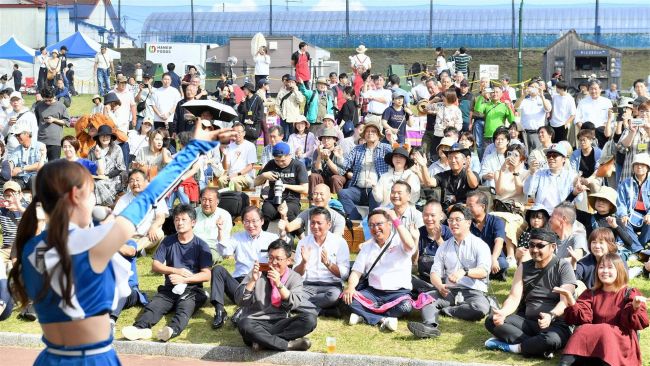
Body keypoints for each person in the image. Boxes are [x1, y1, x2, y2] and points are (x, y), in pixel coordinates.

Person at [9, 124, 232, 364]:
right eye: (92, 192)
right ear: (75, 196)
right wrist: (194, 149)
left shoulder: (30, 246)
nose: (96, 199)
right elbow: (149, 195)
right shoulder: (95, 242)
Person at [121, 204, 212, 342]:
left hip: (192, 290)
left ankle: (171, 330)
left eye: (183, 219)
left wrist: (185, 279)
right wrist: (175, 270)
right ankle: (139, 329)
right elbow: (155, 265)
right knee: (154, 307)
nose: (179, 223)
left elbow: (207, 274)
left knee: (184, 309)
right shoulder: (168, 241)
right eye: (176, 219)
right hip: (169, 289)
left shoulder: (201, 245)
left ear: (193, 222)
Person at [484, 228, 576, 358]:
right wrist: (503, 312)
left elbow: (564, 302)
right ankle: (536, 347)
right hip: (527, 321)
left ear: (553, 247)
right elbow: (514, 297)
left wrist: (550, 315)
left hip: (555, 323)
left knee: (550, 340)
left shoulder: (563, 266)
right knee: (491, 321)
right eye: (531, 245)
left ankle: (515, 347)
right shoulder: (524, 267)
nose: (535, 249)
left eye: (540, 246)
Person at [407, 204, 491, 338]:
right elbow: (435, 273)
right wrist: (439, 286)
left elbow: (484, 271)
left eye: (458, 220)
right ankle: (430, 326)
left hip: (473, 292)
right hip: (449, 291)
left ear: (468, 222)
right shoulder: (444, 246)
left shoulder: (480, 245)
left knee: (480, 309)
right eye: (451, 220)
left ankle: (446, 311)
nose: (453, 223)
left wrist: (465, 271)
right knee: (427, 299)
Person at [557, 253, 648, 366]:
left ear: (619, 270)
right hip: (593, 341)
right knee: (581, 330)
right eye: (601, 267)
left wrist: (635, 307)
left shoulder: (629, 293)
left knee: (605, 330)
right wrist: (570, 299)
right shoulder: (591, 293)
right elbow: (582, 318)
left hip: (620, 343)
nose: (604, 271)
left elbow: (638, 322)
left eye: (610, 267)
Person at [341, 209, 419, 332]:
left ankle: (363, 315)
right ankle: (383, 319)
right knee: (347, 299)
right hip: (373, 292)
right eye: (371, 225)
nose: (375, 228)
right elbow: (356, 272)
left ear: (389, 224)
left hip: (397, 293)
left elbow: (410, 245)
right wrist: (350, 287)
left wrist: (396, 220)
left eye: (379, 224)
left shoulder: (400, 241)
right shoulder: (367, 246)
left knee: (405, 307)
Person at [236, 239, 317, 351]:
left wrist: (279, 284)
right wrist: (253, 281)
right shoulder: (258, 272)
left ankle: (263, 342)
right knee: (244, 324)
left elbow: (293, 304)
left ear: (288, 261)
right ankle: (288, 345)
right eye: (270, 257)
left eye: (278, 259)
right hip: (255, 322)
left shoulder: (295, 277)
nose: (273, 262)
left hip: (280, 322)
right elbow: (240, 301)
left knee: (310, 319)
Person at [210, 207, 278, 329]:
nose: (250, 225)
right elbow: (225, 252)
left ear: (262, 221)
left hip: (260, 281)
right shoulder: (237, 237)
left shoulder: (272, 238)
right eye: (246, 221)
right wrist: (220, 231)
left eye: (254, 221)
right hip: (239, 283)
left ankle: (243, 309)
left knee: (262, 282)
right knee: (217, 269)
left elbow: (280, 259)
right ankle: (219, 311)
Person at [293, 207, 351, 314]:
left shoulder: (339, 242)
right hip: (307, 285)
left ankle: (304, 306)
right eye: (312, 223)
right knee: (291, 298)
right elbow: (296, 274)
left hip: (331, 286)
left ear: (329, 225)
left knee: (333, 297)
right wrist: (304, 263)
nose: (315, 226)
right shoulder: (303, 243)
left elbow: (344, 274)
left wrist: (328, 264)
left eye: (319, 223)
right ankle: (325, 312)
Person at [254, 141, 308, 231]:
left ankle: (302, 238)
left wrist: (286, 186)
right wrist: (263, 176)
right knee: (265, 211)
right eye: (277, 160)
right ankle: (260, 237)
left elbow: (305, 189)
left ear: (289, 156)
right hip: (273, 200)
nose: (280, 163)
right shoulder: (271, 164)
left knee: (289, 213)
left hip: (291, 201)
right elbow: (255, 183)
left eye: (283, 160)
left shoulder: (298, 165)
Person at [112, 169, 168, 252]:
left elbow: (161, 217)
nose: (135, 183)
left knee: (159, 233)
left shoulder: (156, 196)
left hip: (148, 237)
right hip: (129, 237)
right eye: (131, 181)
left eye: (138, 180)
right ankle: (135, 250)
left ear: (146, 181)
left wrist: (154, 227)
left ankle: (133, 250)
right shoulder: (123, 199)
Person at [525, 143, 580, 214]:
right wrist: (532, 174)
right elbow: (529, 192)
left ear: (564, 159)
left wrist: (578, 189)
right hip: (542, 215)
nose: (551, 158)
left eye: (554, 156)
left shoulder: (571, 175)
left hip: (562, 214)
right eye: (548, 156)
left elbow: (578, 199)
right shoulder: (539, 173)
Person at [466, 191, 509, 280]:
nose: (467, 209)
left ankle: (480, 273)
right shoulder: (466, 222)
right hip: (473, 258)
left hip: (493, 256)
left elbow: (499, 241)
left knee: (502, 263)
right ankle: (486, 274)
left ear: (482, 207)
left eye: (470, 206)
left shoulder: (496, 221)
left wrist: (493, 259)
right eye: (466, 206)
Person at [425, 143, 480, 211]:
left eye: (456, 158)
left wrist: (468, 169)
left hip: (466, 211)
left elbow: (473, 185)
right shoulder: (444, 175)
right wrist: (423, 166)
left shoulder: (471, 174)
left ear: (464, 160)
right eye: (450, 158)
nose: (453, 161)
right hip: (446, 211)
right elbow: (429, 183)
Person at [278, 183, 346, 238]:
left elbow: (336, 240)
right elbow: (289, 228)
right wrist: (283, 215)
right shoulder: (307, 213)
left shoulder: (338, 218)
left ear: (329, 197)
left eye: (321, 194)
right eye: (315, 194)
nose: (318, 197)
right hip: (309, 249)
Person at [616, 152, 650, 247]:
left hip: (646, 216)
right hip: (631, 215)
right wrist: (623, 215)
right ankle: (639, 249)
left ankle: (638, 246)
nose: (639, 167)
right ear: (633, 167)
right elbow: (620, 203)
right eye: (636, 164)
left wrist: (649, 214)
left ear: (647, 168)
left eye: (643, 165)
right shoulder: (625, 183)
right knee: (621, 221)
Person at [87, 125, 126, 206]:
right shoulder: (92, 151)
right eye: (102, 136)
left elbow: (120, 168)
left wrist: (107, 176)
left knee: (99, 184)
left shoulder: (117, 149)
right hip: (96, 177)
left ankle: (106, 205)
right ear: (98, 137)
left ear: (111, 137)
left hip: (113, 179)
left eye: (107, 136)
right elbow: (89, 167)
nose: (105, 138)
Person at [193, 187, 232, 264]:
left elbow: (225, 240)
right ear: (200, 199)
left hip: (213, 249)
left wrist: (219, 229)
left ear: (217, 202)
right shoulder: (193, 213)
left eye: (210, 200)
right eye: (204, 199)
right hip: (193, 247)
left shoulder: (224, 215)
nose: (207, 203)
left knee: (208, 256)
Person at [218, 123, 257, 191]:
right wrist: (225, 155)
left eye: (239, 132)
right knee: (221, 180)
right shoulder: (229, 146)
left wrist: (237, 174)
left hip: (246, 176)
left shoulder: (250, 146)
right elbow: (225, 168)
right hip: (231, 175)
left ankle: (237, 200)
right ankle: (224, 200)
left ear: (244, 133)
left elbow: (250, 166)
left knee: (234, 181)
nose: (237, 134)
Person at [34, 87, 70, 162]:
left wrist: (54, 120)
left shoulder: (61, 106)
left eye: (50, 100)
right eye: (45, 100)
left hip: (55, 142)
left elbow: (67, 122)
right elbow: (36, 122)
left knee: (54, 167)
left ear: (54, 96)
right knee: (39, 165)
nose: (47, 102)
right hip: (40, 141)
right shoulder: (39, 106)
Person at [515, 81, 552, 151]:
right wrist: (523, 95)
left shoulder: (543, 100)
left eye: (536, 87)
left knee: (537, 153)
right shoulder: (525, 100)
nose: (533, 89)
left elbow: (548, 109)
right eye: (532, 87)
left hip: (537, 132)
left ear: (539, 89)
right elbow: (516, 106)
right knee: (525, 153)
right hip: (524, 132)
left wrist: (542, 96)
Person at [309, 128, 347, 196]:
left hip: (337, 177)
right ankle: (313, 201)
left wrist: (327, 159)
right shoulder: (318, 151)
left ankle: (337, 203)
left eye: (329, 138)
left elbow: (339, 172)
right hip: (324, 177)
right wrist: (319, 156)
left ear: (334, 140)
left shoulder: (339, 150)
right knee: (313, 176)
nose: (326, 141)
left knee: (335, 178)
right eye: (323, 138)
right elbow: (316, 171)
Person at [7, 125, 47, 190]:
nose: (17, 137)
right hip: (21, 179)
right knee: (10, 185)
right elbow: (12, 161)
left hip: (35, 177)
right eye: (15, 135)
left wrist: (22, 169)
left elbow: (39, 165)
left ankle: (37, 200)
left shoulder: (40, 146)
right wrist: (10, 169)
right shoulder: (17, 149)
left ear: (27, 134)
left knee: (34, 179)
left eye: (18, 135)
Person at [576, 80, 613, 148]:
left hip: (603, 134)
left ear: (600, 89)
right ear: (588, 89)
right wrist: (585, 132)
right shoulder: (582, 102)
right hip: (587, 136)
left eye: (595, 89)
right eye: (591, 89)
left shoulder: (607, 102)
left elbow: (611, 119)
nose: (593, 91)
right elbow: (577, 120)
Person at [3, 91, 38, 156]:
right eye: (13, 101)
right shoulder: (8, 115)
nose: (15, 102)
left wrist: (32, 148)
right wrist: (9, 124)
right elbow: (4, 134)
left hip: (25, 151)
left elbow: (35, 132)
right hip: (11, 151)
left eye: (17, 100)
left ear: (22, 101)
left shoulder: (30, 115)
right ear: (10, 103)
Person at [275, 74, 304, 139]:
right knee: (285, 137)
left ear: (295, 83)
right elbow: (277, 105)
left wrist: (295, 91)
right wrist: (281, 114)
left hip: (294, 118)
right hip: (284, 118)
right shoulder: (281, 92)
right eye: (289, 82)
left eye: (292, 82)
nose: (290, 84)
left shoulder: (297, 92)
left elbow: (300, 101)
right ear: (286, 82)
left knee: (294, 136)